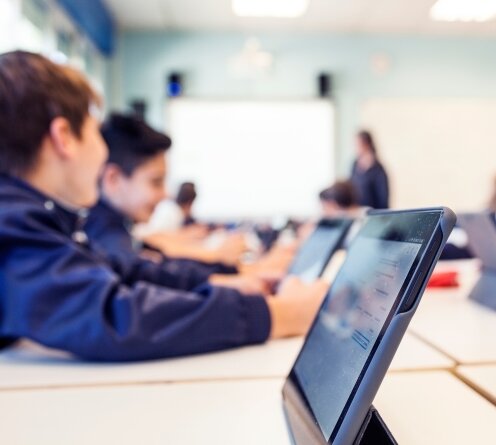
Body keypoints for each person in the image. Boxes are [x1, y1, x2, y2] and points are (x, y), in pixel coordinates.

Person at [0, 51, 326, 361]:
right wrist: (280, 314)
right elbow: (118, 315)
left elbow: (122, 271)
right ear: (64, 137)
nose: (102, 152)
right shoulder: (12, 221)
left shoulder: (33, 217)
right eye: (94, 132)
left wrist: (226, 284)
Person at [84, 113, 259, 294]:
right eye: (156, 182)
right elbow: (141, 274)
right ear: (113, 179)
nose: (165, 194)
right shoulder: (104, 237)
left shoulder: (113, 228)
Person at [349, 130, 390, 209]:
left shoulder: (378, 170)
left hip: (373, 214)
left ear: (367, 145)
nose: (355, 148)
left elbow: (383, 200)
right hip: (357, 213)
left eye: (357, 144)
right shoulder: (354, 165)